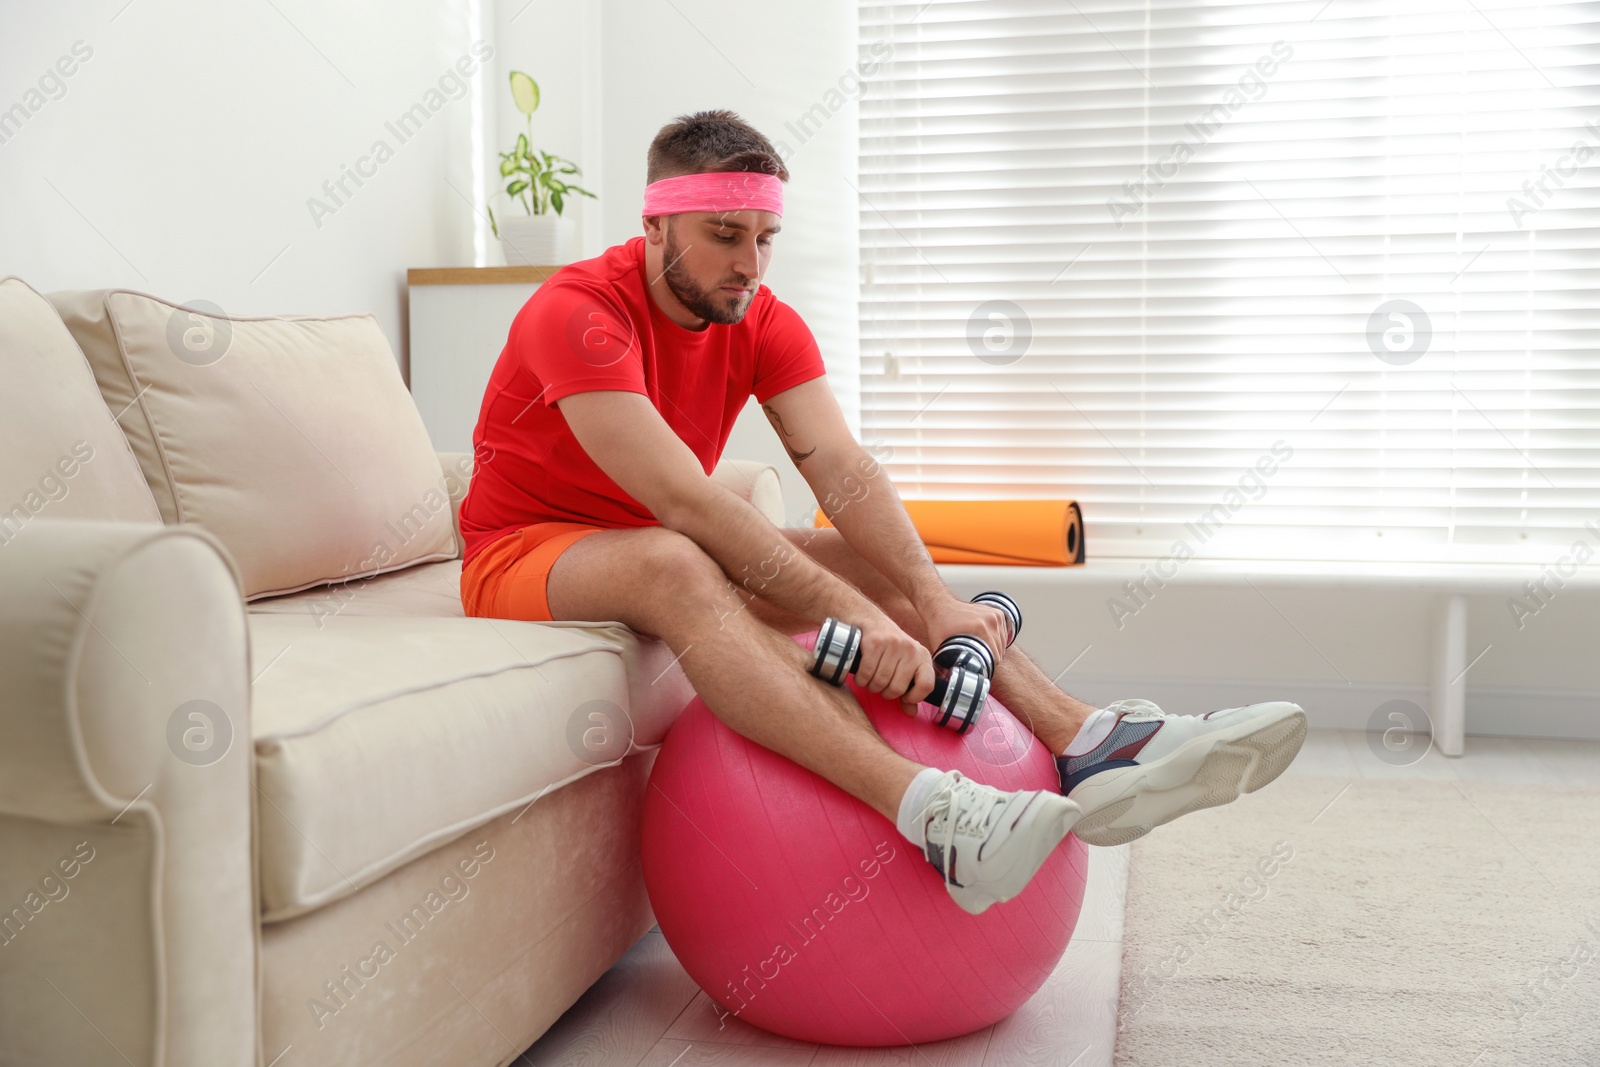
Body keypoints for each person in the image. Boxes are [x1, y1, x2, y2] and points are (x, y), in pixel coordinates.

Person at [459, 109, 1307, 916]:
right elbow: (682, 500)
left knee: (867, 560)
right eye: (724, 236)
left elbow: (846, 472)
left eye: (764, 240)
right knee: (680, 560)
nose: (750, 264)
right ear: (654, 228)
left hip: (656, 537)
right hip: (526, 553)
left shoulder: (762, 320)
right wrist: (860, 621)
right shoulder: (576, 314)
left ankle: (1087, 741)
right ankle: (935, 815)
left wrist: (929, 601)